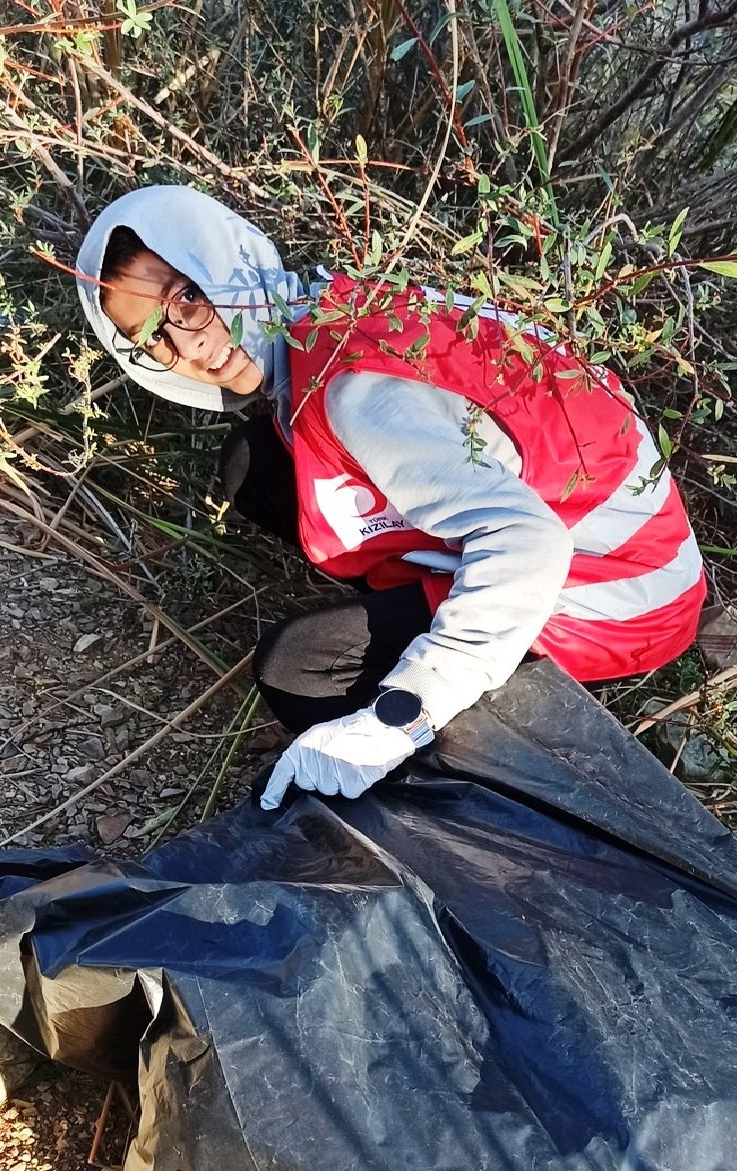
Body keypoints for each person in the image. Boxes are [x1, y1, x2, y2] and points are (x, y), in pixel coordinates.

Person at [75, 184, 705, 808]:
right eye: (153, 334)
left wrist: (404, 710)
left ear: (223, 255)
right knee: (257, 463)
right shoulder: (331, 309)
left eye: (188, 296)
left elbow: (528, 541)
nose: (189, 346)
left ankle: (449, 767)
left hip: (619, 594)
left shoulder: (353, 393)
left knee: (300, 667)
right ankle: (427, 625)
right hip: (613, 534)